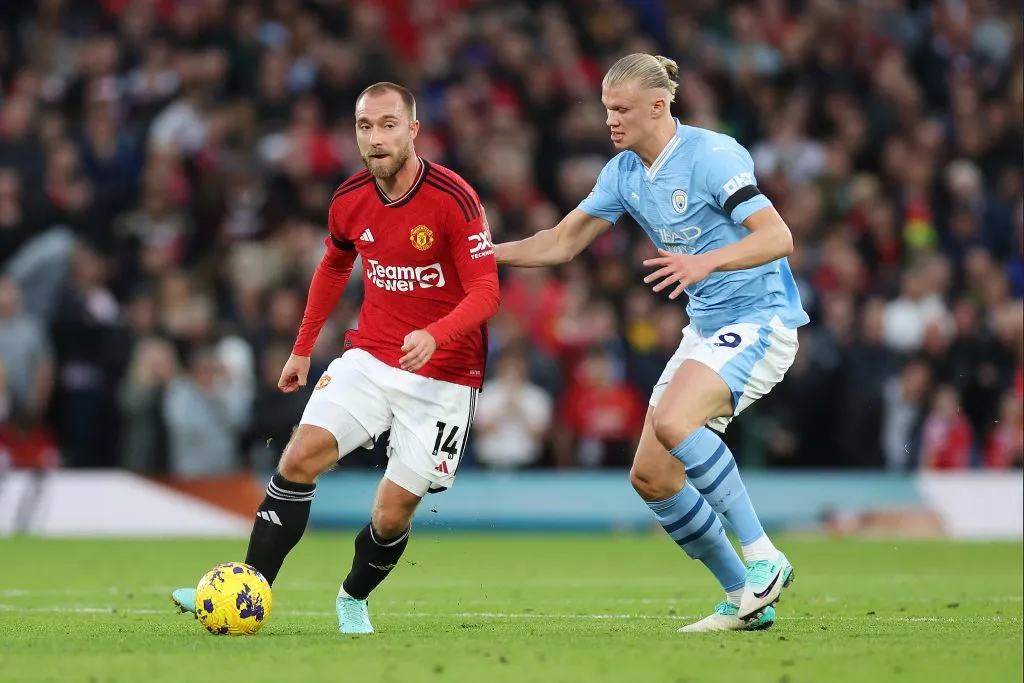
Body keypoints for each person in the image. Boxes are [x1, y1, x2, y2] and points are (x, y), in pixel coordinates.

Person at [494, 54, 809, 632]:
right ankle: (744, 597)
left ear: (659, 106)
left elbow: (778, 236)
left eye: (621, 110)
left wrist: (704, 262)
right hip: (707, 330)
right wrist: (483, 256)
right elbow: (560, 244)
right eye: (606, 109)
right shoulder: (623, 174)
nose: (609, 121)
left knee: (675, 422)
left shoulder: (712, 156)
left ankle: (764, 555)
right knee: (651, 476)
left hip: (762, 319)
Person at [170, 82, 500, 635]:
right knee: (299, 458)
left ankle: (352, 596)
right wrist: (302, 350)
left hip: (443, 375)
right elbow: (332, 268)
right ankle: (245, 587)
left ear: (413, 130)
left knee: (391, 514)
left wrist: (436, 335)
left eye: (389, 125)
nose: (376, 138)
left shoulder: (454, 197)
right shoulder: (349, 199)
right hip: (369, 357)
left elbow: (487, 293)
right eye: (365, 126)